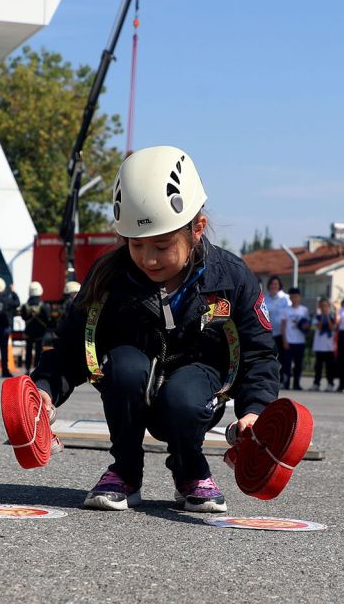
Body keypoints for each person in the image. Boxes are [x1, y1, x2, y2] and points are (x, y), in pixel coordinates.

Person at [30, 146, 278, 513]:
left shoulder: (232, 278)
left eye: (162, 246)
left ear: (197, 229)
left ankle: (190, 470)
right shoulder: (107, 277)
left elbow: (259, 352)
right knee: (126, 366)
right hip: (128, 382)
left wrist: (256, 410)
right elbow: (70, 346)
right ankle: (125, 472)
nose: (148, 258)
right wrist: (45, 389)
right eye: (136, 244)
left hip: (197, 388)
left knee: (184, 393)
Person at [19, 281, 54, 372]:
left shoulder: (25, 306)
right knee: (39, 351)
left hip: (29, 332)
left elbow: (23, 317)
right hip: (40, 333)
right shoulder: (44, 306)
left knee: (28, 351)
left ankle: (27, 369)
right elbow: (48, 318)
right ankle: (37, 369)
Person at [280, 287, 310, 391]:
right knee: (287, 364)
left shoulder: (304, 310)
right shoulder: (286, 310)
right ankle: (286, 383)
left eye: (296, 297)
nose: (294, 299)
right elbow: (283, 326)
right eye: (292, 297)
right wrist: (284, 340)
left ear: (299, 297)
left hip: (300, 341)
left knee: (298, 364)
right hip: (289, 341)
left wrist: (305, 326)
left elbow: (307, 325)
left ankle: (297, 383)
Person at [310, 297, 337, 391]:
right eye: (322, 306)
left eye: (326, 306)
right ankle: (316, 383)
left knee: (330, 367)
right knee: (318, 367)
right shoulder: (317, 317)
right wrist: (323, 317)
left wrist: (328, 317)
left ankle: (330, 384)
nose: (324, 308)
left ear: (329, 307)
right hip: (319, 346)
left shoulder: (333, 317)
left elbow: (332, 328)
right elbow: (319, 326)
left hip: (329, 347)